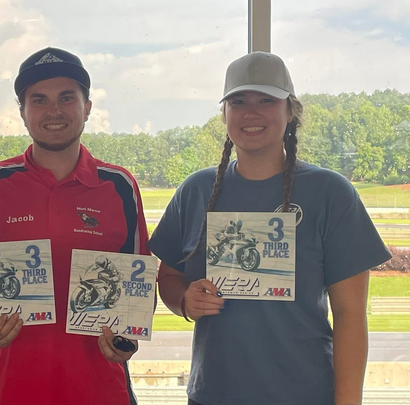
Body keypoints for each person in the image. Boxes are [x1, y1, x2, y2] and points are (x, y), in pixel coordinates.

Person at [147, 51, 391, 405]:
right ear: (225, 114)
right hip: (212, 394)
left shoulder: (331, 193)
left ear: (290, 111)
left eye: (266, 100)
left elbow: (350, 315)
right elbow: (168, 277)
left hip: (307, 395)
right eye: (238, 102)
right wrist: (185, 301)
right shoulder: (195, 191)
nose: (251, 113)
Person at [0, 47, 150, 405]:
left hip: (103, 389)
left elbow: (137, 290)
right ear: (22, 112)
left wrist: (126, 339)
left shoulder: (120, 186)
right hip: (12, 389)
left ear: (87, 107)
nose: (54, 111)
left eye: (66, 98)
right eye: (38, 100)